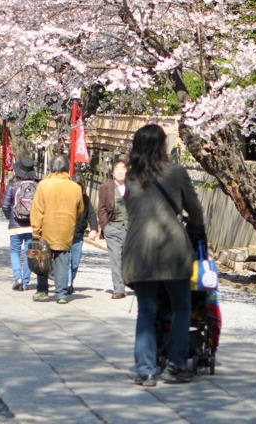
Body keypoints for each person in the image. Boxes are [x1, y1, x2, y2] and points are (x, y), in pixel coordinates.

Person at [122, 123, 205, 387]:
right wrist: (197, 229)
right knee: (182, 308)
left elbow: (131, 210)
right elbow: (196, 210)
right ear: (162, 145)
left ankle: (146, 370)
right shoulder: (177, 172)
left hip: (139, 252)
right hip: (173, 250)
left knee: (146, 312)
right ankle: (176, 365)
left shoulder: (131, 178)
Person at [30, 154, 83, 304]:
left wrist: (36, 230)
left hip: (46, 229)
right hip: (66, 229)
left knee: (43, 260)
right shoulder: (75, 187)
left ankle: (42, 291)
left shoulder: (44, 185)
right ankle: (61, 294)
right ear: (67, 168)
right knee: (62, 261)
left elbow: (37, 209)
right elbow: (80, 209)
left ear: (51, 167)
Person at [1, 157, 38, 291]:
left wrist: (10, 217)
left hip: (16, 224)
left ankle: (18, 278)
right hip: (32, 225)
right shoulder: (37, 185)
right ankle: (26, 282)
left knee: (15, 251)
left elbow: (5, 205)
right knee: (29, 253)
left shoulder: (12, 185)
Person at [97, 157, 129, 299]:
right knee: (116, 257)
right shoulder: (106, 187)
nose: (121, 172)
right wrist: (105, 227)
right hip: (113, 227)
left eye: (123, 169)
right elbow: (102, 209)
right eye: (118, 169)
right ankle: (118, 288)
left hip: (131, 228)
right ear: (113, 172)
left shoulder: (135, 186)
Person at [67, 175, 99, 294]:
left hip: (78, 235)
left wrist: (93, 229)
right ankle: (67, 283)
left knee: (75, 262)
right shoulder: (64, 198)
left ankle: (70, 281)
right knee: (66, 261)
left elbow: (91, 214)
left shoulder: (85, 199)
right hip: (65, 235)